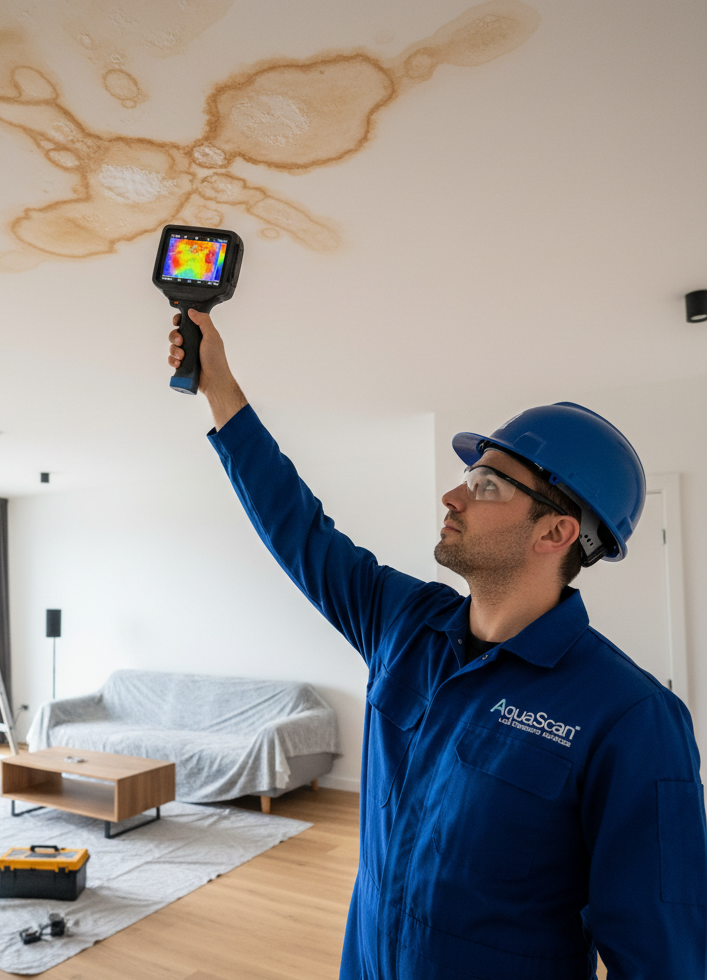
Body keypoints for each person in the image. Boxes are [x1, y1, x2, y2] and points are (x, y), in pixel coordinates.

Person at [168, 310, 707, 980]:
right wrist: (220, 386)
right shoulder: (404, 625)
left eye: (486, 485)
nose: (453, 495)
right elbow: (297, 528)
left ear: (556, 534)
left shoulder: (631, 718)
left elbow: (662, 959)